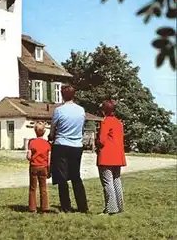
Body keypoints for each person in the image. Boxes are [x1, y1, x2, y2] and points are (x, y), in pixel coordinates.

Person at [49, 85, 89, 213]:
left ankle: (66, 207)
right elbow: (82, 129)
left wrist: (51, 137)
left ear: (62, 95)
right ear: (74, 95)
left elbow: (53, 128)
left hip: (61, 145)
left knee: (62, 178)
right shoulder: (81, 110)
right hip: (76, 146)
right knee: (76, 176)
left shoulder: (59, 111)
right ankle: (83, 206)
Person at [96, 100, 126, 215]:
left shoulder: (105, 122)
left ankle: (111, 208)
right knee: (116, 181)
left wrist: (96, 142)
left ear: (104, 110)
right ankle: (119, 207)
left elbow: (102, 140)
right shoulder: (119, 122)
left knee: (107, 182)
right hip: (118, 156)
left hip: (106, 156)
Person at [26, 121, 51, 213]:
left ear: (35, 131)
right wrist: (49, 169)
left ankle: (32, 207)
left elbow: (28, 156)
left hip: (34, 166)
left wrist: (31, 159)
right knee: (43, 187)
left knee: (32, 188)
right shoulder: (47, 144)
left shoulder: (31, 142)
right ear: (44, 131)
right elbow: (49, 158)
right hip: (44, 167)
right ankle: (45, 207)